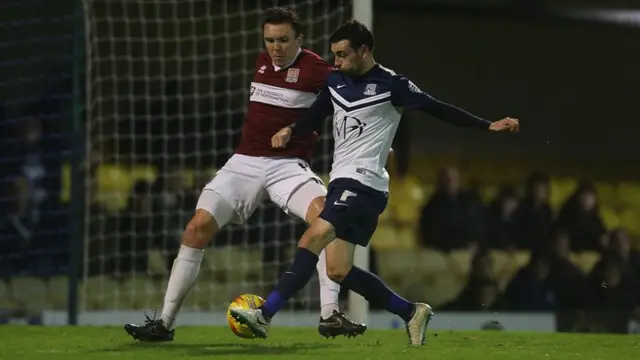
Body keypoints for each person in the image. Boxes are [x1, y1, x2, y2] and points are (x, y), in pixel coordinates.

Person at [230, 20, 519, 346]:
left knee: (314, 235)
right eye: (334, 55)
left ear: (365, 51)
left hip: (365, 183)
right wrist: (291, 131)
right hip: (342, 182)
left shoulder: (392, 84)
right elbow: (316, 114)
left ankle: (265, 314)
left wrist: (487, 126)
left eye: (343, 54)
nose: (336, 62)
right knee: (338, 270)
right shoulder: (337, 81)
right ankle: (411, 312)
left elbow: (438, 108)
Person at [124, 7, 365, 342]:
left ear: (300, 39)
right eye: (270, 40)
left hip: (288, 166)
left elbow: (359, 93)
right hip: (244, 162)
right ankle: (164, 324)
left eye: (283, 40)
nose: (275, 47)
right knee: (196, 227)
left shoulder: (317, 69)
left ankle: (330, 315)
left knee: (325, 220)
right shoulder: (261, 62)